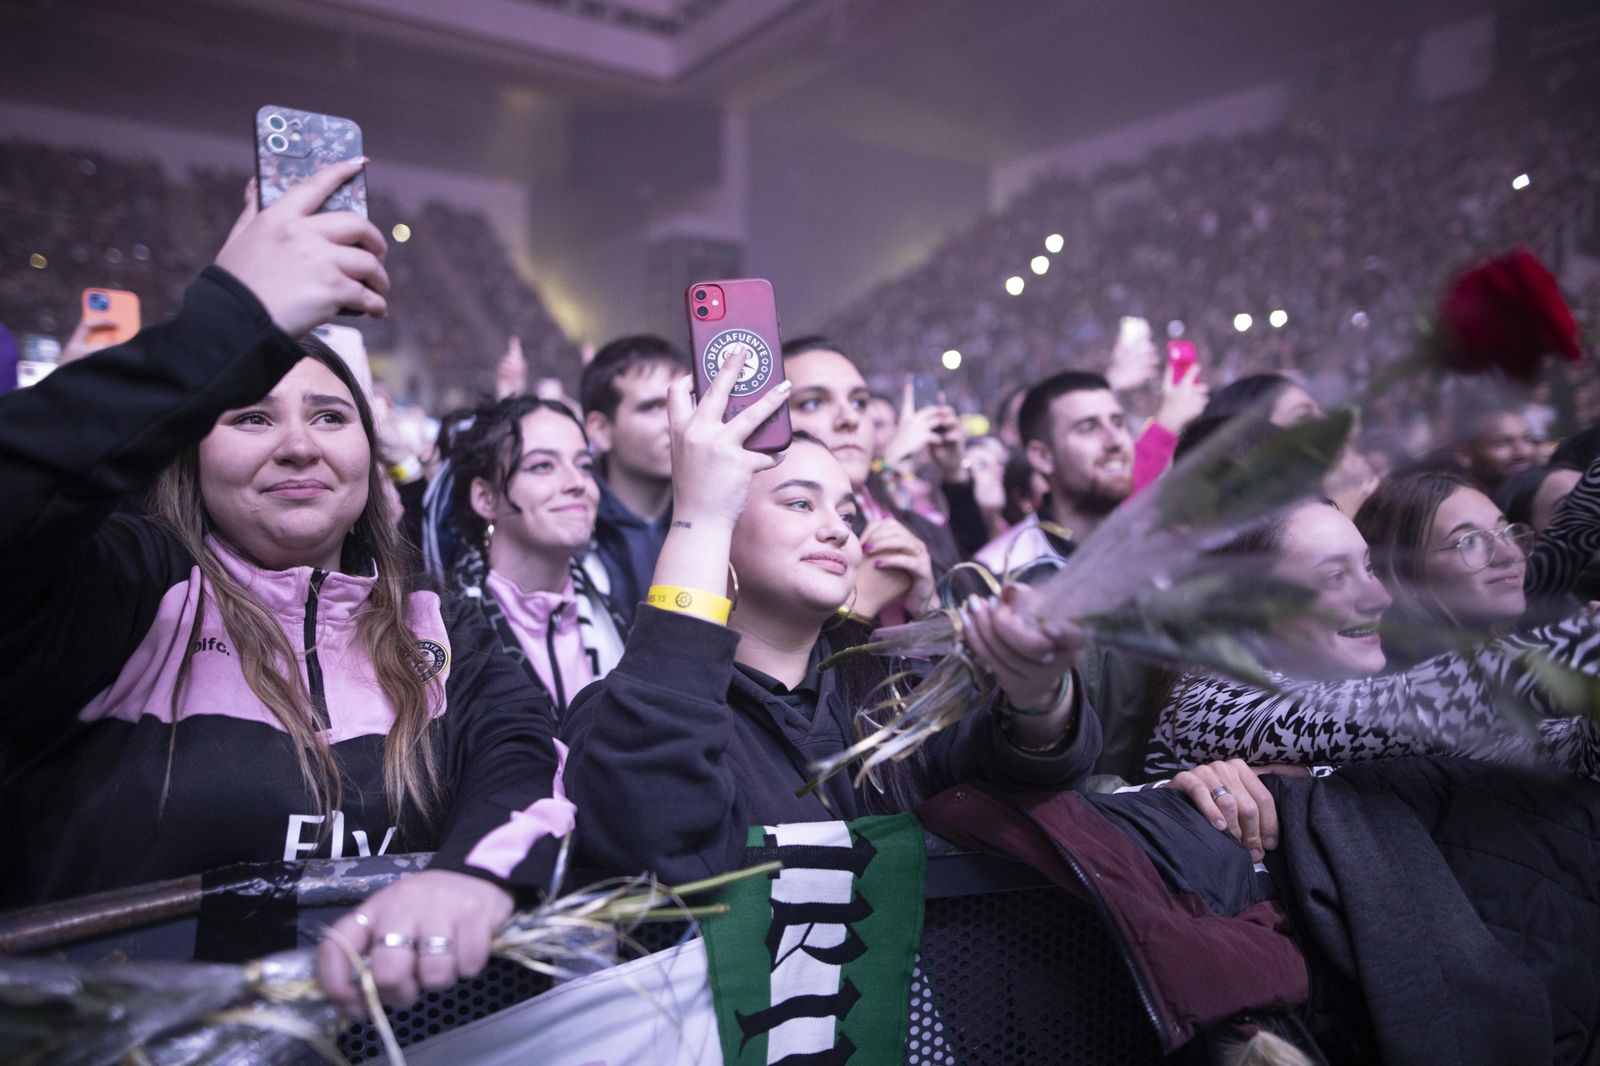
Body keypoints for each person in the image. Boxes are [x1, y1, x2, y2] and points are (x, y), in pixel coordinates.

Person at [0, 162, 570, 1017]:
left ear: (367, 455)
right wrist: (229, 323)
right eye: (252, 416)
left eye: (330, 417)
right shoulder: (122, 592)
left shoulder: (439, 622)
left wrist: (473, 876)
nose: (299, 446)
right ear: (191, 454)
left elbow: (532, 760)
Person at [559, 360, 1098, 881]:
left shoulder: (896, 696)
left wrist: (1038, 695)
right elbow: (652, 833)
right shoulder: (616, 713)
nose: (839, 530)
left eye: (847, 514)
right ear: (721, 527)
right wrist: (698, 516)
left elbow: (1023, 766)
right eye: (800, 504)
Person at [1143, 498, 1600, 780]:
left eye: (1368, 568)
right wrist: (1585, 647)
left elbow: (1569, 754)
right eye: (1334, 577)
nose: (1379, 597)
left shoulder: (1348, 688)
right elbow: (1415, 706)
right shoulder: (1208, 700)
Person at [442, 394, 626, 719]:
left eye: (585, 465)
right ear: (486, 497)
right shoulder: (446, 630)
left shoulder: (618, 619)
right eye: (542, 466)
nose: (577, 483)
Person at [779, 336, 972, 617]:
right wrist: (859, 604)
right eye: (811, 403)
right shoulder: (766, 538)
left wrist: (929, 611)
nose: (850, 418)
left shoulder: (922, 531)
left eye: (859, 402)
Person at [975, 370, 1133, 577]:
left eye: (1118, 423)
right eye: (1088, 428)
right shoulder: (1000, 573)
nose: (1115, 441)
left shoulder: (1162, 542)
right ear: (1043, 457)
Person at [577, 334, 686, 624]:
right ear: (601, 430)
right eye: (652, 407)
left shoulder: (720, 520)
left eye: (687, 401)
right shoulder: (574, 531)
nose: (677, 421)